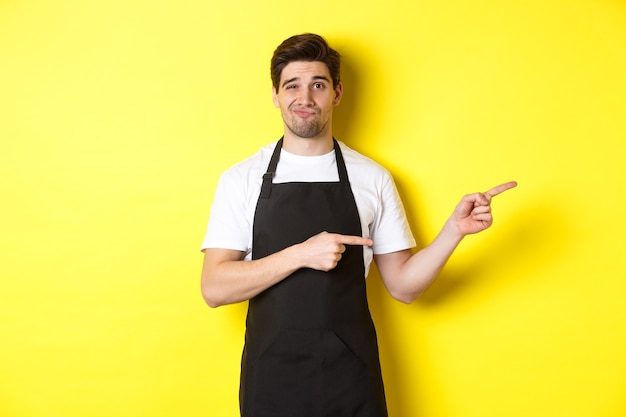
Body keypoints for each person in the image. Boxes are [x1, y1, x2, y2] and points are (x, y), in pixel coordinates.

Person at [200, 33, 517, 417]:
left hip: (350, 377)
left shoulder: (372, 178)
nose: (305, 98)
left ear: (336, 93)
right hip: (271, 379)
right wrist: (301, 254)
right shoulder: (242, 179)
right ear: (276, 95)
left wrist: (453, 231)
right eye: (292, 86)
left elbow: (403, 287)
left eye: (318, 84)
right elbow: (214, 288)